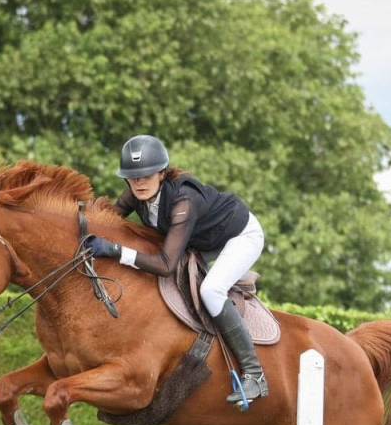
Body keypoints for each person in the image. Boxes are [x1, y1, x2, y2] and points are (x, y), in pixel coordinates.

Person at [85, 134, 268, 408]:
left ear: (162, 173)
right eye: (133, 177)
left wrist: (115, 250)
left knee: (211, 291)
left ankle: (255, 375)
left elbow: (165, 265)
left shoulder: (185, 200)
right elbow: (106, 220)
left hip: (239, 236)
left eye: (147, 176)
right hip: (201, 239)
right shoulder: (136, 194)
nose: (139, 182)